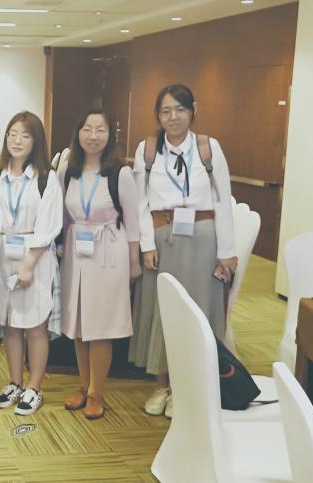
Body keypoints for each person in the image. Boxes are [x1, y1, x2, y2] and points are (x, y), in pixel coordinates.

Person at [130, 84, 237, 418]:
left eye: (180, 109)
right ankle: (161, 385)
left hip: (203, 240)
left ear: (193, 111)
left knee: (199, 311)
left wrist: (227, 251)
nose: (173, 117)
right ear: (157, 115)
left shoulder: (208, 148)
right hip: (162, 240)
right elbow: (139, 202)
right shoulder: (148, 150)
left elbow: (223, 200)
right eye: (166, 111)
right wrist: (146, 245)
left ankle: (188, 387)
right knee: (162, 312)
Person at [57, 109, 141, 420]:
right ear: (78, 133)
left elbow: (133, 221)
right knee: (79, 324)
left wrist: (134, 261)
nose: (93, 136)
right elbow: (61, 214)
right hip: (76, 252)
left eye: (100, 130)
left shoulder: (121, 173)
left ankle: (96, 392)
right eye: (87, 129)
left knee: (101, 326)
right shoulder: (68, 170)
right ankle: (83, 385)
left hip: (108, 253)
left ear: (109, 135)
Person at [0, 111, 62, 416]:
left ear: (36, 141)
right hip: (2, 256)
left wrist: (29, 265)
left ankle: (35, 387)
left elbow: (49, 226)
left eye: (25, 135)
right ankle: (15, 382)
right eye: (13, 134)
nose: (17, 141)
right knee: (10, 324)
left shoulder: (46, 178)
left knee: (34, 325)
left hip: (36, 257)